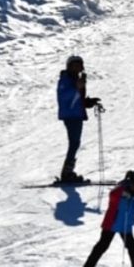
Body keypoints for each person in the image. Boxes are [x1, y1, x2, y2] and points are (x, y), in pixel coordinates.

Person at [82, 170, 134, 267]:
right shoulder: (120, 190)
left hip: (125, 226)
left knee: (133, 248)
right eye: (130, 183)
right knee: (102, 246)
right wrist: (122, 189)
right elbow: (112, 194)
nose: (132, 186)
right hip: (111, 224)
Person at [56, 55, 102, 183]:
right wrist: (77, 87)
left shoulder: (74, 79)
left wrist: (88, 102)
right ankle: (67, 173)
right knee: (74, 143)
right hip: (71, 116)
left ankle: (68, 172)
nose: (77, 68)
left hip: (75, 115)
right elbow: (64, 96)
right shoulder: (66, 80)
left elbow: (76, 99)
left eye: (79, 65)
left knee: (75, 143)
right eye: (75, 65)